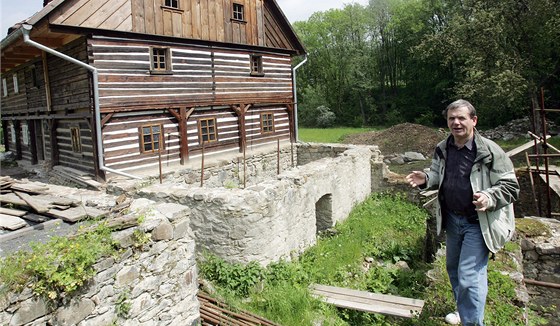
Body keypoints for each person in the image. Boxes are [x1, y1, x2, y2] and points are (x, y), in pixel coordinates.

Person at [406, 99, 519, 325]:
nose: (456, 123)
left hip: (478, 222)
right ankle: (464, 310)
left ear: (473, 121)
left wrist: (489, 197)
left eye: (461, 118)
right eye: (451, 118)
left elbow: (511, 186)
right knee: (454, 270)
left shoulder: (490, 151)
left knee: (470, 276)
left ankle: (472, 322)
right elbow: (439, 175)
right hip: (452, 220)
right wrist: (427, 179)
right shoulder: (442, 147)